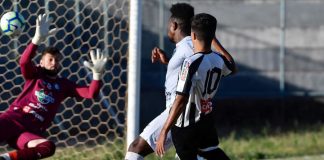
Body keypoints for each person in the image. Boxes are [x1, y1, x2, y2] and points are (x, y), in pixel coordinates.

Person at [125, 3, 236, 160]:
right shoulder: (189, 48)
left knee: (136, 148)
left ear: (174, 25)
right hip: (195, 115)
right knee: (201, 153)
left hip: (180, 113)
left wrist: (164, 129)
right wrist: (169, 62)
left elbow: (195, 68)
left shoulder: (190, 47)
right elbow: (198, 69)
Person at [0, 14, 107, 160]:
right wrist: (36, 40)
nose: (54, 62)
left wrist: (97, 75)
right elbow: (24, 62)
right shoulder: (35, 75)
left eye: (57, 60)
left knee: (47, 147)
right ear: (41, 62)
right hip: (13, 120)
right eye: (50, 59)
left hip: (27, 132)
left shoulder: (63, 85)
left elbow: (90, 93)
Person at [156, 13, 235, 160]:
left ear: (192, 35)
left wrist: (164, 130)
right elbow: (232, 66)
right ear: (212, 36)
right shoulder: (218, 59)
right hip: (205, 120)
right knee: (211, 151)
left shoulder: (190, 62)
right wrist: (214, 41)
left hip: (185, 125)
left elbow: (181, 100)